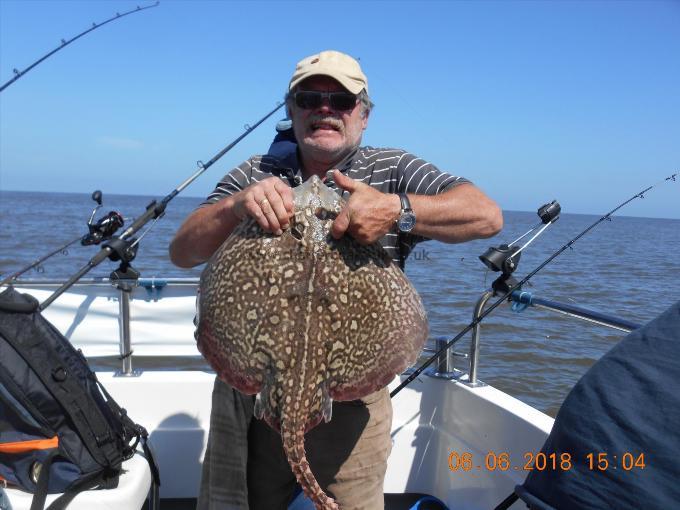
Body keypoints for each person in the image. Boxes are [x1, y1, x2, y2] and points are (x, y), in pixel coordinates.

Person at [169, 50, 503, 510]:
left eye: (341, 101)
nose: (325, 109)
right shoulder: (255, 172)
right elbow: (182, 251)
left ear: (363, 115)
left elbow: (486, 215)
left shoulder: (391, 169)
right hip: (254, 391)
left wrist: (399, 210)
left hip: (353, 399)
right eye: (310, 97)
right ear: (291, 110)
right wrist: (235, 206)